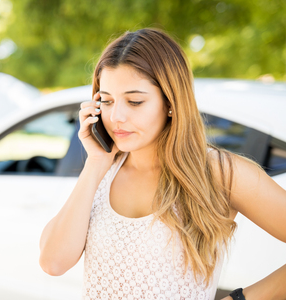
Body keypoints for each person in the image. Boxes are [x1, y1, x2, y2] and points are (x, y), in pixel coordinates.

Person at [39, 28, 286, 300]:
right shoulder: (102, 170)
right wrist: (96, 163)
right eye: (107, 101)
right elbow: (53, 263)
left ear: (170, 101)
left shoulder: (219, 172)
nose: (116, 116)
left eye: (134, 101)